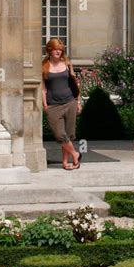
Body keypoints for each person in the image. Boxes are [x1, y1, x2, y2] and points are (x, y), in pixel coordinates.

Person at [41, 38, 82, 170]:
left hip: (70, 102)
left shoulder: (67, 64)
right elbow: (42, 88)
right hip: (53, 106)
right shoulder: (44, 66)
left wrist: (78, 102)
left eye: (60, 49)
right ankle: (75, 154)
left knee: (68, 135)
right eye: (55, 49)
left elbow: (75, 84)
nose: (58, 51)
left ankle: (65, 162)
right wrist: (45, 105)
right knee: (60, 135)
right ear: (49, 50)